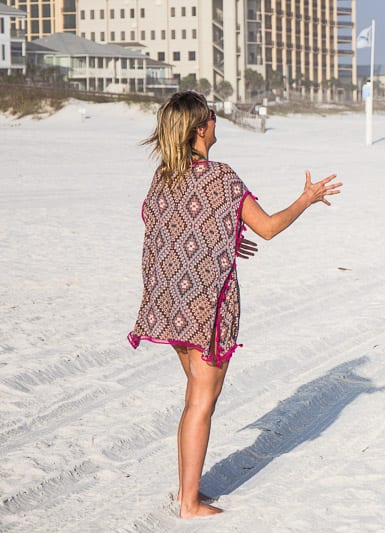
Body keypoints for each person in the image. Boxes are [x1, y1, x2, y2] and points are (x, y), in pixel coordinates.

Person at [127, 91, 342, 518]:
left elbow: (163, 228)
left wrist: (224, 238)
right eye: (210, 115)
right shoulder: (221, 177)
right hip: (207, 304)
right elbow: (268, 228)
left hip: (169, 302)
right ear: (199, 128)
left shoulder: (163, 177)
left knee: (195, 394)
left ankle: (189, 490)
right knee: (201, 401)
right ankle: (189, 503)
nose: (215, 120)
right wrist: (307, 199)